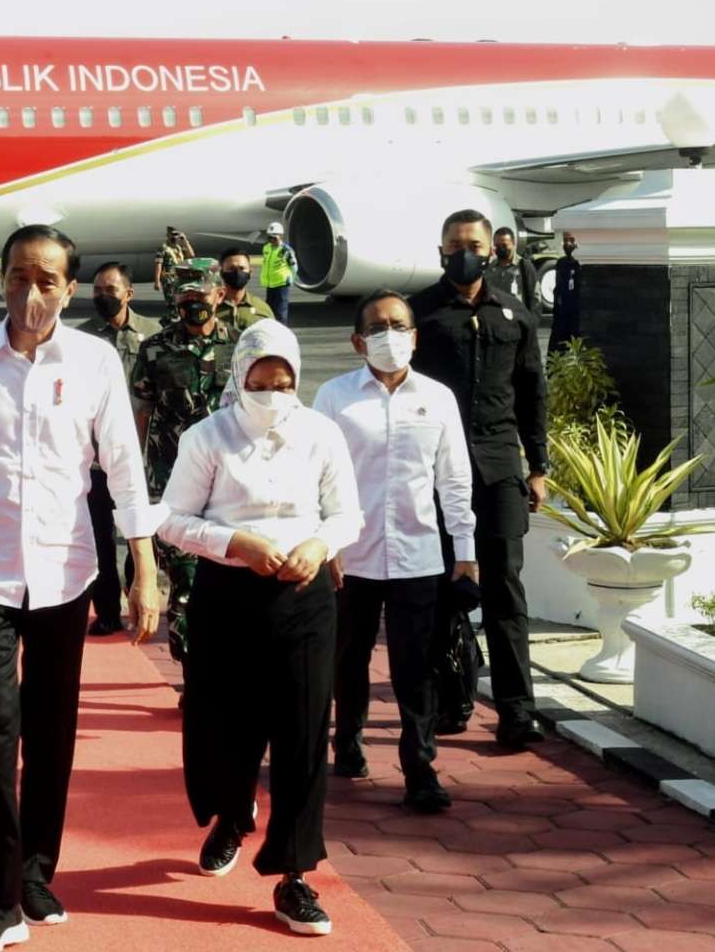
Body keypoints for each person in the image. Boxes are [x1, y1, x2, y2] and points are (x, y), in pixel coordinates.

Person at [0, 225, 163, 952]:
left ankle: (36, 871)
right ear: (0, 279)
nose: (32, 293)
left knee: (50, 730)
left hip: (63, 571)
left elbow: (121, 466)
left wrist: (144, 567)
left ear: (69, 287)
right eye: (19, 276)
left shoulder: (93, 361)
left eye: (48, 280)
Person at [159, 319, 361, 937]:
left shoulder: (322, 434)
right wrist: (234, 541)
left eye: (284, 382)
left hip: (304, 598)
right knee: (224, 724)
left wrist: (320, 542)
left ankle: (294, 875)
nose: (272, 393)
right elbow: (171, 518)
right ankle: (230, 813)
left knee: (302, 734)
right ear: (239, 376)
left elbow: (347, 512)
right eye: (260, 381)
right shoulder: (208, 437)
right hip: (228, 596)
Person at [313, 289, 477, 814]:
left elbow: (453, 480)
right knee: (348, 658)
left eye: (399, 325)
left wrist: (466, 552)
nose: (390, 336)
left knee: (416, 667)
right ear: (358, 340)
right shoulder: (335, 398)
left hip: (417, 555)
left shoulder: (438, 398)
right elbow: (314, 476)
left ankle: (419, 768)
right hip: (350, 554)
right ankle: (348, 743)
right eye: (378, 327)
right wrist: (323, 543)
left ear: (415, 335)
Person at [411, 208, 548, 750]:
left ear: (491, 249)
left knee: (505, 594)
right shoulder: (420, 314)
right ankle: (452, 695)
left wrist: (537, 467)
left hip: (497, 472)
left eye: (472, 243)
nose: (462, 251)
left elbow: (533, 393)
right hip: (434, 473)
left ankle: (517, 709)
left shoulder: (514, 315)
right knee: (441, 590)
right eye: (453, 243)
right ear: (441, 249)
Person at [132, 272, 237, 666]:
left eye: (201, 294)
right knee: (185, 581)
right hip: (172, 481)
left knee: (228, 579)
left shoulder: (241, 347)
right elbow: (141, 414)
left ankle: (223, 664)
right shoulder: (155, 349)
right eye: (185, 296)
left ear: (220, 294)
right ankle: (193, 672)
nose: (193, 302)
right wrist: (137, 476)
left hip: (229, 482)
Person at [78, 261, 158, 636]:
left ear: (129, 293)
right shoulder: (81, 340)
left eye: (110, 290)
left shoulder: (154, 336)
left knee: (142, 533)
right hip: (95, 460)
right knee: (100, 540)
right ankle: (107, 610)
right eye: (97, 290)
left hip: (142, 458)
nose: (103, 296)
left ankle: (137, 592)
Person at [216, 247, 275, 331]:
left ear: (250, 272)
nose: (237, 273)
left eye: (242, 268)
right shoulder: (211, 307)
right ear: (222, 273)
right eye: (231, 268)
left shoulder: (262, 309)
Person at [484, 226, 537, 313]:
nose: (501, 248)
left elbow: (536, 299)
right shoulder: (490, 267)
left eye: (504, 245)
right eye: (497, 245)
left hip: (517, 320)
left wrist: (531, 322)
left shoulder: (524, 266)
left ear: (513, 243)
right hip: (496, 320)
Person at [260, 221, 299, 325]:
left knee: (280, 312)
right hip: (270, 283)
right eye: (270, 237)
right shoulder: (266, 248)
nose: (272, 240)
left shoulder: (286, 250)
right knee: (269, 310)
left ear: (281, 236)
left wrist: (292, 279)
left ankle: (281, 332)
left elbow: (294, 266)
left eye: (274, 237)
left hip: (281, 284)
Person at [551, 232, 581, 353]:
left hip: (576, 317)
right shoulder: (561, 263)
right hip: (562, 316)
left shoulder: (582, 264)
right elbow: (558, 288)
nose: (568, 243)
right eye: (565, 240)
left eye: (571, 240)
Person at [153, 225, 193, 304]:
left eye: (176, 235)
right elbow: (158, 264)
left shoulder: (179, 248)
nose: (174, 237)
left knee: (182, 301)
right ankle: (174, 315)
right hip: (169, 279)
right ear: (167, 235)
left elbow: (191, 255)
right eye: (172, 234)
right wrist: (157, 281)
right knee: (172, 302)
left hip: (180, 278)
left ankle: (179, 315)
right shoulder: (163, 248)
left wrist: (185, 242)